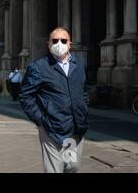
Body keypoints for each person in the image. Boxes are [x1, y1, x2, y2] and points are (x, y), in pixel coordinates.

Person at [19, 27, 89, 173]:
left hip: (74, 128)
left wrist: (83, 110)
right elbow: (25, 96)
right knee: (54, 170)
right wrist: (40, 119)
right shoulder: (38, 67)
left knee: (72, 167)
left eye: (63, 40)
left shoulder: (79, 65)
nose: (59, 44)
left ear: (70, 44)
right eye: (55, 40)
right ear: (49, 44)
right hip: (52, 129)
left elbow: (84, 91)